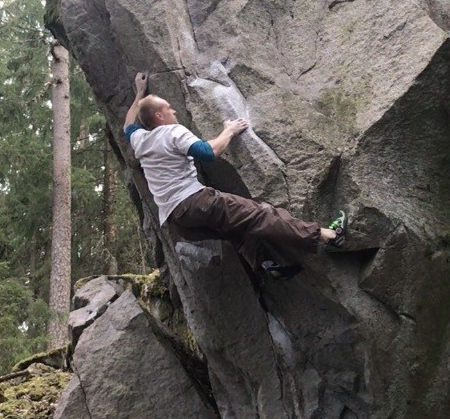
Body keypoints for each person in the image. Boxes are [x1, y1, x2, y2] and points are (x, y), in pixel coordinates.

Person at [124, 72, 346, 278]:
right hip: (195, 202)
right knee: (260, 214)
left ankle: (266, 264)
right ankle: (328, 235)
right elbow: (207, 152)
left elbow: (128, 124)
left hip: (179, 221)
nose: (175, 111)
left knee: (238, 226)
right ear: (159, 115)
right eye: (169, 108)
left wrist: (139, 94)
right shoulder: (172, 131)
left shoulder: (140, 140)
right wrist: (229, 130)